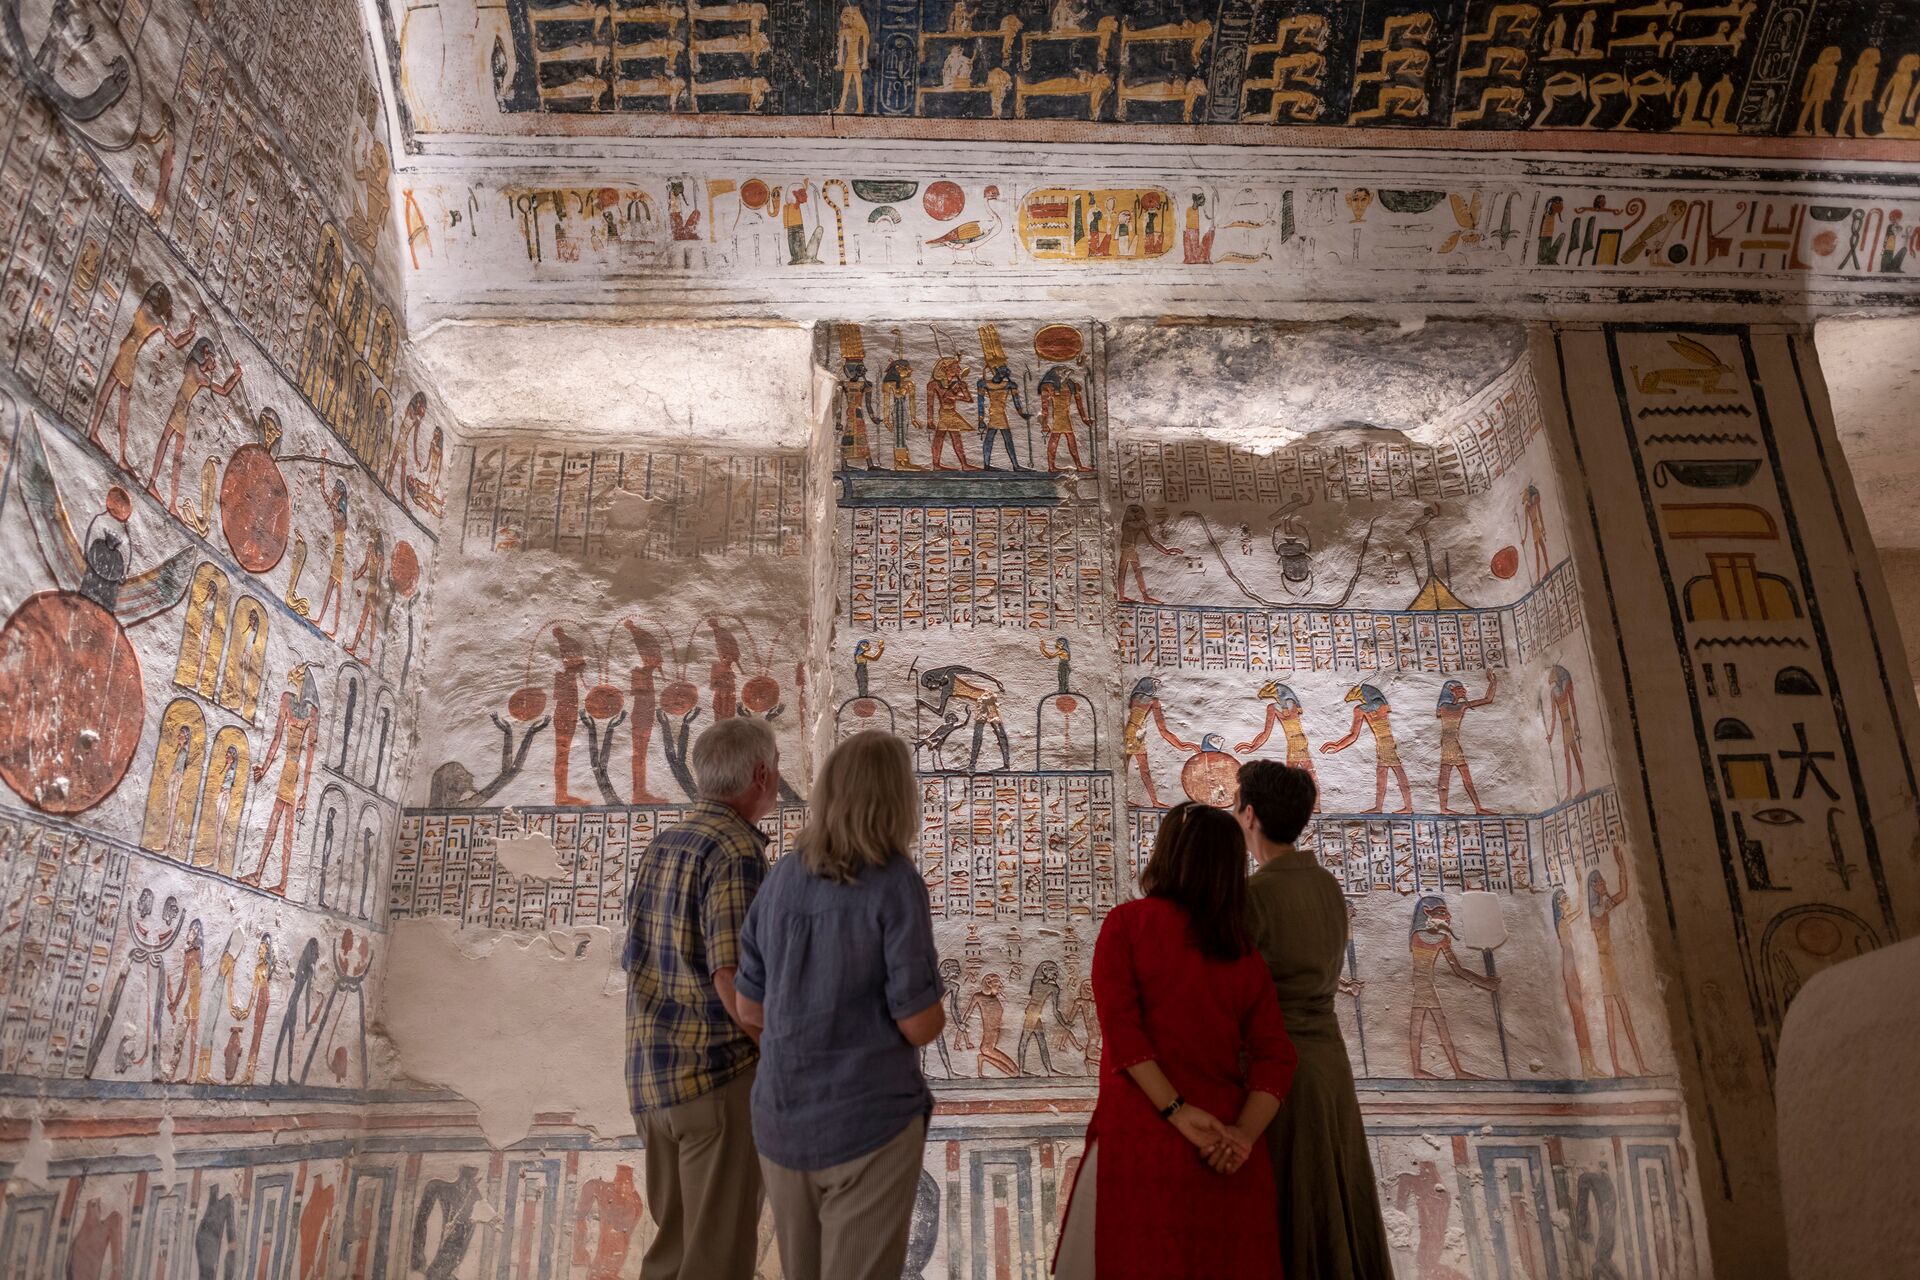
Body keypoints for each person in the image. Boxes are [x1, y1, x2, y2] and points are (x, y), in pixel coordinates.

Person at [1053, 802, 1296, 1280]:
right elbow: (1276, 1059)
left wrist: (1178, 1111)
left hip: (1141, 1140)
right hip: (1224, 1151)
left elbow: (1125, 1036)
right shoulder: (1242, 955)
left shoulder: (1127, 925)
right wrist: (1243, 1137)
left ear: (1166, 854)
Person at [735, 730, 944, 1280]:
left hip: (782, 1119)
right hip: (867, 1121)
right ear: (898, 798)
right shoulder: (895, 884)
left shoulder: (779, 879)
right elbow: (919, 1024)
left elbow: (749, 1009)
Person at [622, 717, 781, 1280]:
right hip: (715, 1079)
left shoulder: (662, 847)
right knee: (716, 1263)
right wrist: (784, 1056)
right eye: (778, 768)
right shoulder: (736, 849)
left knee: (670, 1256)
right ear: (761, 774)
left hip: (653, 1080)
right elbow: (732, 975)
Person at [1236, 761, 1395, 1279]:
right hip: (1328, 1063)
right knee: (1334, 1196)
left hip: (1277, 1073)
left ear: (1249, 814)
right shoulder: (1326, 885)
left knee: (1293, 1205)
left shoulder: (1255, 896)